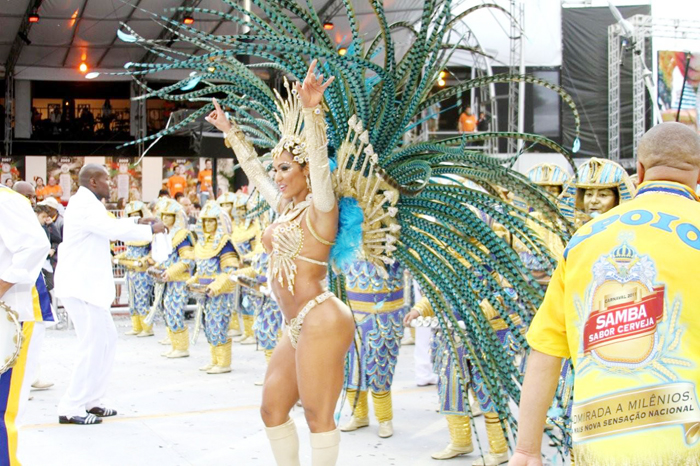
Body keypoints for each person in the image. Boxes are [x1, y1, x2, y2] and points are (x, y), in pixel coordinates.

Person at [510, 122, 700, 466]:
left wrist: (526, 450)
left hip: (598, 443)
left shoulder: (583, 240)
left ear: (639, 171)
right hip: (685, 444)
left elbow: (546, 351)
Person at [206, 61, 355, 465]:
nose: (279, 176)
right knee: (272, 409)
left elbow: (322, 166)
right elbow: (255, 173)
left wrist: (312, 111)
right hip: (295, 322)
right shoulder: (284, 208)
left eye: (286, 168)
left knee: (316, 416)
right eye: (278, 169)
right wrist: (232, 133)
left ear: (306, 171)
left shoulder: (322, 209)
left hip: (321, 317)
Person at [54, 164, 164, 425]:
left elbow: (108, 224)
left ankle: (92, 400)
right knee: (91, 345)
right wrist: (149, 230)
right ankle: (71, 406)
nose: (110, 184)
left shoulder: (88, 203)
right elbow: (111, 230)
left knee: (106, 341)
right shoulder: (83, 204)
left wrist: (137, 221)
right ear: (93, 181)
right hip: (81, 287)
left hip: (87, 287)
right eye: (106, 179)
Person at [0, 183, 51, 465]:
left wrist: (1, 286)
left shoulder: (6, 200)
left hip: (11, 319)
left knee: (3, 410)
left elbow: (36, 244)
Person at [340, 261, 406, 439]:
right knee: (350, 370)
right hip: (351, 314)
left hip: (383, 317)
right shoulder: (346, 242)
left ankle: (385, 419)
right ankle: (359, 415)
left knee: (379, 369)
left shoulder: (391, 242)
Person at [187, 201, 239, 373]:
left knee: (219, 324)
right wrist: (193, 280)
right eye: (205, 221)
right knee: (208, 325)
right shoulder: (201, 244)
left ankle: (223, 363)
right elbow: (201, 269)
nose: (208, 224)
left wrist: (217, 286)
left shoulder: (225, 242)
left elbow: (230, 270)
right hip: (204, 293)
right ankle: (214, 359)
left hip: (220, 292)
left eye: (212, 220)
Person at [151, 198, 195, 358]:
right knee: (168, 310)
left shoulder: (182, 235)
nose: (165, 219)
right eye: (162, 216)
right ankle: (175, 345)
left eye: (168, 216)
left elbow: (187, 260)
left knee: (175, 310)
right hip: (166, 280)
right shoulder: (163, 235)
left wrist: (171, 271)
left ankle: (182, 347)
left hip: (179, 280)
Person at [218, 192, 260, 344]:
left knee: (252, 301)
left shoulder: (255, 227)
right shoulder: (235, 228)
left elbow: (258, 250)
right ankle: (247, 331)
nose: (240, 212)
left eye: (243, 208)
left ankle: (254, 334)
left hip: (251, 269)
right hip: (238, 268)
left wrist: (247, 257)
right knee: (242, 302)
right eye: (238, 209)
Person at [112, 202, 156, 337]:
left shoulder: (149, 233)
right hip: (130, 271)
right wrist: (119, 257)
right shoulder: (130, 235)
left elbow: (153, 253)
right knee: (132, 299)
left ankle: (147, 328)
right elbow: (129, 252)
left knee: (142, 298)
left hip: (142, 272)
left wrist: (144, 260)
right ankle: (136, 326)